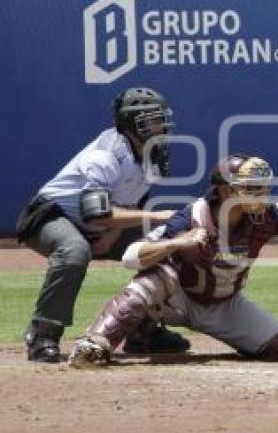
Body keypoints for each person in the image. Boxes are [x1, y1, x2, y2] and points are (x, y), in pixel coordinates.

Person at [68, 154, 278, 367]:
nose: (260, 195)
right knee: (155, 278)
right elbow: (130, 258)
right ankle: (97, 343)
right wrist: (176, 243)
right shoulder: (190, 217)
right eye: (250, 188)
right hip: (176, 298)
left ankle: (145, 332)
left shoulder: (265, 216)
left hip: (223, 303)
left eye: (262, 187)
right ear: (225, 190)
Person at [16, 87, 190, 363]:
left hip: (100, 224)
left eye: (160, 118)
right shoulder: (105, 155)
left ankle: (143, 329)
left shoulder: (152, 153)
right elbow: (95, 214)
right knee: (74, 251)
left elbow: (132, 202)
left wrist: (113, 236)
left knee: (168, 244)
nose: (160, 125)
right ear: (133, 122)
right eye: (153, 119)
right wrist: (156, 216)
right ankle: (43, 334)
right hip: (50, 216)